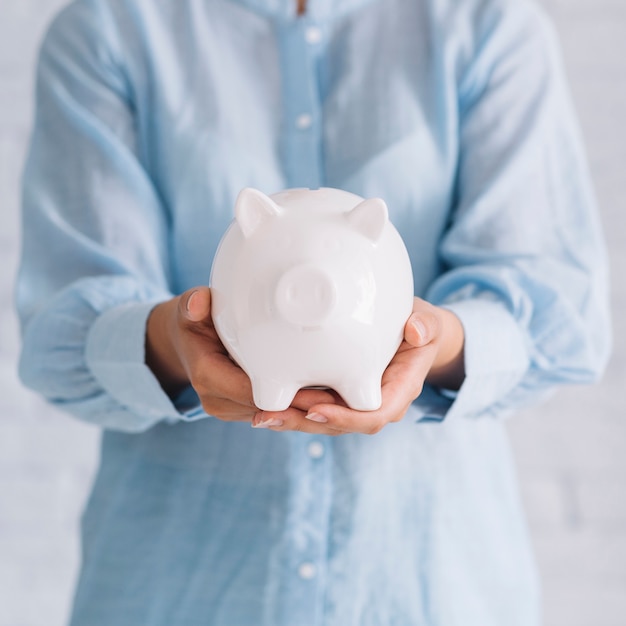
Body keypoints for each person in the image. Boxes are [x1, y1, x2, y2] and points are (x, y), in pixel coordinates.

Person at [16, 0, 610, 624]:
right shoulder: (112, 27)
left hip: (427, 584)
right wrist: (175, 340)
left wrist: (433, 345)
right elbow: (64, 331)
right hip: (178, 590)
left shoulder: (486, 26)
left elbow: (555, 316)